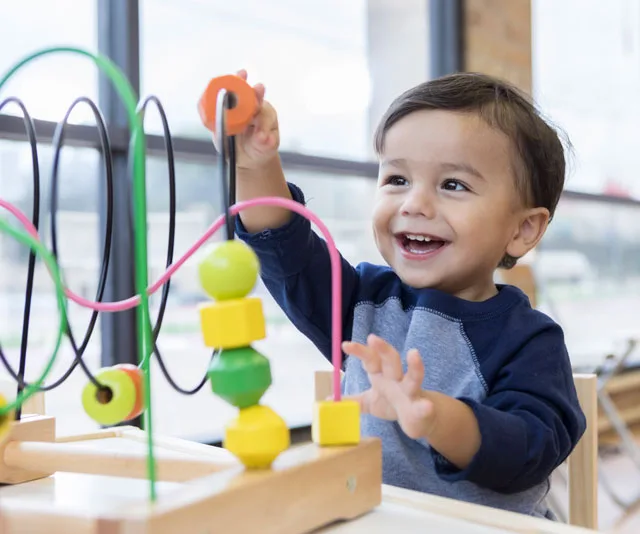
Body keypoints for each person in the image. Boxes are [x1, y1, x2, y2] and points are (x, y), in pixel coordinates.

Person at [226, 69, 586, 518]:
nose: (414, 203)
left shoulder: (530, 340)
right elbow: (286, 248)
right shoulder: (362, 301)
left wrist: (434, 417)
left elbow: (529, 450)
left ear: (522, 229)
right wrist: (255, 165)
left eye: (453, 184)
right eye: (397, 179)